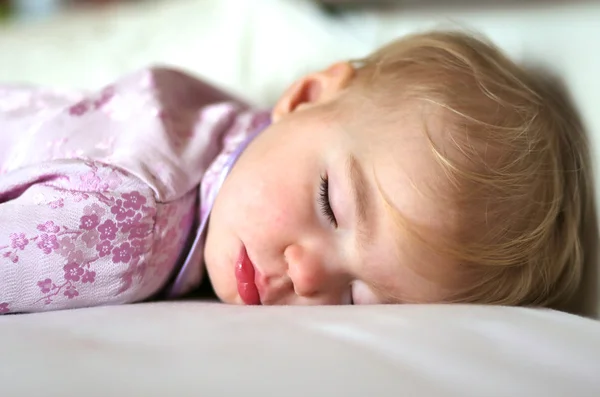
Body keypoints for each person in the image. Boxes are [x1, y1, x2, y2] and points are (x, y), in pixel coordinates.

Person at [0, 30, 588, 313]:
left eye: (360, 300)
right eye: (330, 203)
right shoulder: (119, 234)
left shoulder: (228, 128)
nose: (307, 279)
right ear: (306, 95)